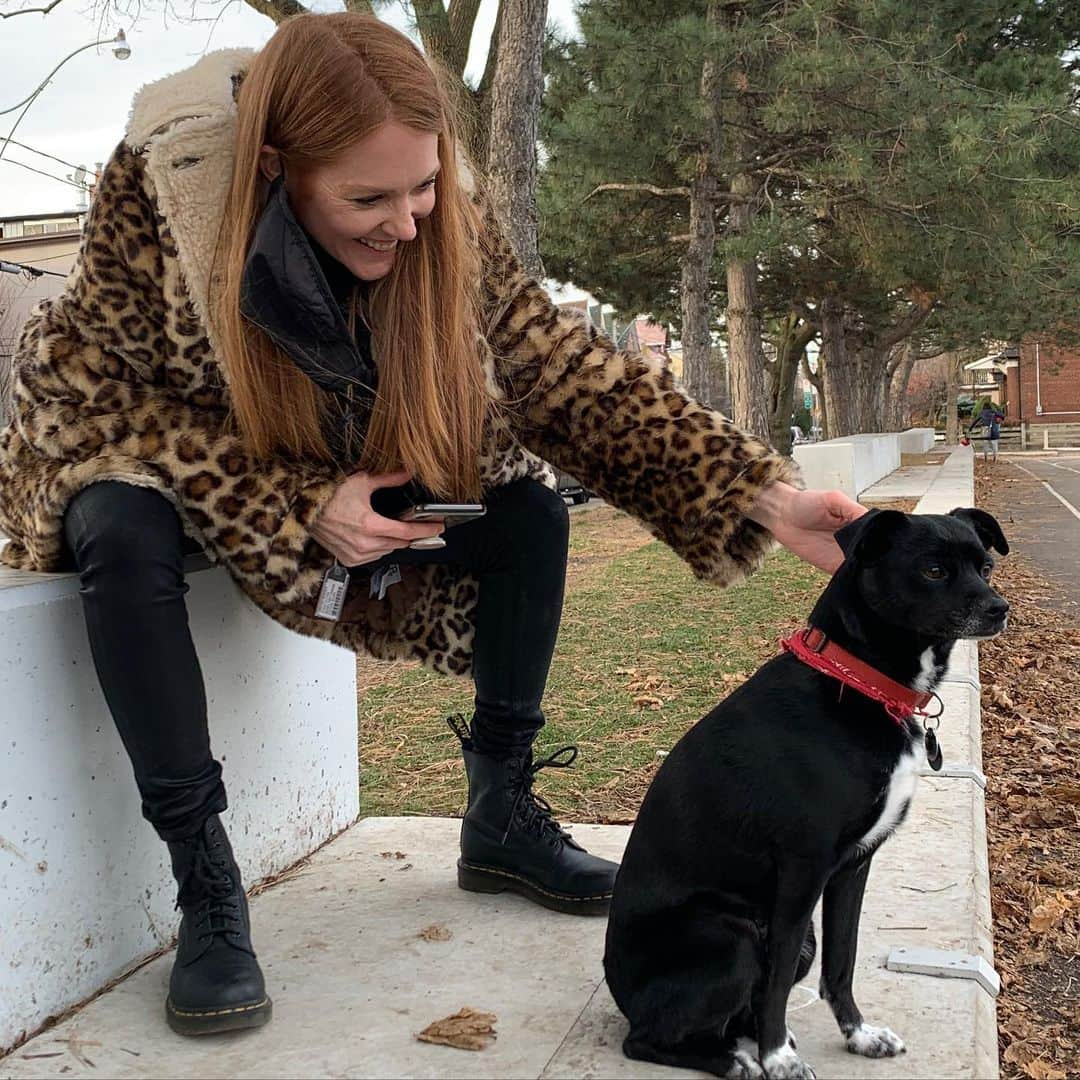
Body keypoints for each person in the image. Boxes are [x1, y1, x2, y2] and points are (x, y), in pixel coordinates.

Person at [0, 13, 865, 1037]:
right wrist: (292, 504)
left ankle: (499, 813)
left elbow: (562, 371)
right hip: (174, 479)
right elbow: (74, 397)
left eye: (421, 188)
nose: (406, 224)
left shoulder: (442, 211)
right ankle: (205, 883)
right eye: (368, 198)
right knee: (117, 523)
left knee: (529, 513)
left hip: (336, 483)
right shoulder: (156, 192)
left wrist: (760, 494)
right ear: (275, 168)